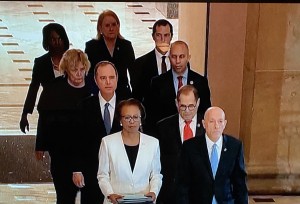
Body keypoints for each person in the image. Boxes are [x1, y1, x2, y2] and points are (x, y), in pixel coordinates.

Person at [36, 49, 92, 203]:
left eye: (82, 69)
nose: (79, 74)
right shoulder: (53, 89)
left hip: (89, 153)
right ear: (66, 69)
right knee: (64, 196)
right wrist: (40, 145)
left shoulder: (93, 88)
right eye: (74, 70)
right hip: (61, 152)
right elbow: (44, 118)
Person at [76, 61, 130, 203]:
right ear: (95, 80)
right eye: (103, 78)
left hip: (121, 174)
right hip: (92, 172)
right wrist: (77, 169)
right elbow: (78, 140)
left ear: (117, 79)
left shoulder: (127, 106)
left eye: (111, 77)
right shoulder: (84, 106)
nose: (108, 82)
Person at [176, 106, 248, 204]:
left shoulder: (235, 146)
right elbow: (182, 184)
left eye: (220, 121)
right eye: (212, 121)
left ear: (225, 124)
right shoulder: (190, 147)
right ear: (204, 124)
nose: (216, 126)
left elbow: (240, 184)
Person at [97, 98, 162, 204]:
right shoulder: (107, 142)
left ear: (141, 119)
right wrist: (109, 194)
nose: (132, 121)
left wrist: (153, 191)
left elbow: (156, 174)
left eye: (135, 117)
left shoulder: (153, 143)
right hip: (116, 200)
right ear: (120, 120)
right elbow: (102, 175)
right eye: (127, 117)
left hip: (144, 200)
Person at [144, 40, 211, 135]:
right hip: (166, 136)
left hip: (194, 135)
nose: (178, 61)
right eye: (174, 57)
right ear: (169, 58)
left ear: (188, 57)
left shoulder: (201, 82)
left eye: (182, 56)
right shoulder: (158, 83)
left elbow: (206, 112)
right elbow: (151, 115)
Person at [155, 85, 204, 204]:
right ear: (176, 103)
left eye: (191, 106)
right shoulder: (163, 127)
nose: (187, 111)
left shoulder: (207, 126)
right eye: (183, 106)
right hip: (171, 194)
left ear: (198, 103)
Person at [19, 23, 69, 133]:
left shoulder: (72, 59)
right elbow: (33, 88)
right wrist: (25, 114)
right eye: (52, 39)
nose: (57, 42)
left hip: (69, 112)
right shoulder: (41, 63)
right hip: (48, 112)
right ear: (47, 41)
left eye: (59, 38)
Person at [85, 9, 135, 98]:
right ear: (100, 28)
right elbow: (89, 74)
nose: (111, 28)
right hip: (99, 93)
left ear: (118, 26)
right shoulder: (92, 47)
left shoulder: (126, 46)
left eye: (114, 24)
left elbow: (134, 73)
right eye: (107, 25)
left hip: (122, 93)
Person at [131, 19, 173, 102]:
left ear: (171, 36)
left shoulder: (180, 62)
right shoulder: (140, 64)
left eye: (166, 35)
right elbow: (137, 97)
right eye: (158, 35)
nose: (163, 39)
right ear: (153, 36)